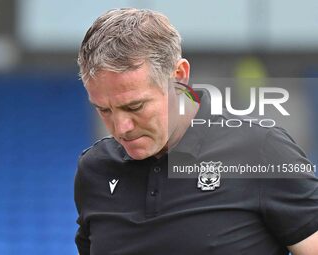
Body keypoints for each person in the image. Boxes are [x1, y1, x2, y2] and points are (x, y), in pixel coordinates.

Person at [74, 8, 318, 255]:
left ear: (179, 76)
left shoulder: (262, 151)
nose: (121, 127)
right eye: (104, 110)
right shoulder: (94, 169)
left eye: (135, 106)